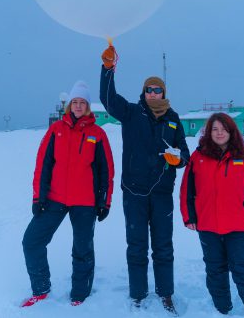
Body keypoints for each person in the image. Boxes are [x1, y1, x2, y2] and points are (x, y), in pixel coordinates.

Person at [99, 44, 190, 315]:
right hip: (134, 193)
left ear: (164, 92)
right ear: (144, 92)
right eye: (149, 89)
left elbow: (184, 153)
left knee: (163, 247)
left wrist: (179, 159)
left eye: (157, 89)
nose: (152, 93)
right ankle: (137, 294)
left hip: (162, 194)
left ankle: (166, 294)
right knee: (137, 246)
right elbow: (107, 99)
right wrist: (107, 70)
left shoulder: (173, 119)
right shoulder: (131, 112)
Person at [21, 80, 115, 307]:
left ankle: (79, 294)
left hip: (85, 202)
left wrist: (105, 201)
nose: (79, 106)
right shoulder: (56, 130)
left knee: (82, 249)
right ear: (69, 105)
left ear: (88, 106)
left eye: (83, 102)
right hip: (54, 198)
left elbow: (106, 170)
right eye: (75, 102)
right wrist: (38, 197)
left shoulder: (97, 134)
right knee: (31, 241)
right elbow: (43, 165)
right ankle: (41, 289)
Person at [180, 112, 244, 317]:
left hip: (238, 227)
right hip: (208, 225)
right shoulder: (198, 157)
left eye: (224, 129)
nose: (219, 133)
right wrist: (190, 217)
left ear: (231, 131)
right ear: (209, 132)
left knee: (243, 269)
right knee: (215, 270)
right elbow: (187, 190)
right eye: (215, 129)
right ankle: (222, 308)